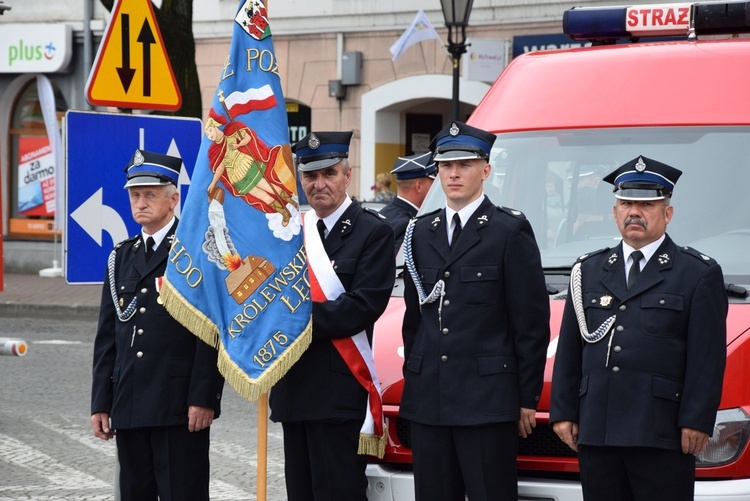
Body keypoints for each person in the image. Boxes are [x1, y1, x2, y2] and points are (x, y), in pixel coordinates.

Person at [550, 155, 727, 501]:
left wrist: (697, 419)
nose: (635, 212)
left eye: (647, 204)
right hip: (598, 430)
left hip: (660, 430)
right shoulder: (588, 270)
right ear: (614, 212)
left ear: (667, 214)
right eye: (626, 203)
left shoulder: (697, 273)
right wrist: (564, 411)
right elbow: (570, 349)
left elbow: (706, 359)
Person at [400, 121, 550, 501]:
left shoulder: (508, 231)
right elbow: (413, 320)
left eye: (465, 164)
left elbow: (530, 324)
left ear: (485, 170)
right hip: (429, 400)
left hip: (487, 401)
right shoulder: (420, 231)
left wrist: (525, 399)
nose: (454, 174)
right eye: (446, 165)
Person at [90, 150, 225, 501]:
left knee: (183, 493)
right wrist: (101, 402)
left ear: (174, 198)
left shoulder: (194, 249)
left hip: (178, 404)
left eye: (150, 194)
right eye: (135, 195)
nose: (141, 202)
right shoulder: (121, 256)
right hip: (130, 399)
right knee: (135, 493)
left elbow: (210, 329)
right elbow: (108, 336)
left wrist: (203, 396)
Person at [269, 131, 396, 500]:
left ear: (347, 175)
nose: (319, 184)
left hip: (339, 394)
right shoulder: (290, 233)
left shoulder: (373, 232)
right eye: (310, 176)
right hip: (293, 390)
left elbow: (360, 308)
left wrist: (289, 319)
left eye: (329, 174)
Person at [380, 151, 437, 252]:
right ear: (418, 186)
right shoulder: (408, 225)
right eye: (432, 183)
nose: (434, 189)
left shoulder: (383, 213)